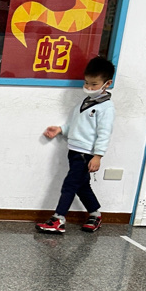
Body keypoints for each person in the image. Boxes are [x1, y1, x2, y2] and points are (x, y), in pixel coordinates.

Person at [37, 56, 116, 234]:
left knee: (70, 185)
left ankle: (59, 218)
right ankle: (95, 214)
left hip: (86, 154)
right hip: (74, 151)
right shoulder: (84, 102)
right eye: (87, 83)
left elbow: (104, 134)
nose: (89, 87)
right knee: (82, 186)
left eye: (94, 84)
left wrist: (98, 156)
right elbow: (76, 125)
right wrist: (61, 129)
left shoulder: (106, 108)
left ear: (107, 83)